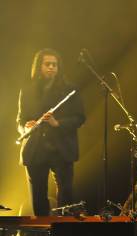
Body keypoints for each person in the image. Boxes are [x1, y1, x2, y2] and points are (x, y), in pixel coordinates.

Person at [16, 48, 86, 216]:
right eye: (47, 64)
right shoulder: (27, 91)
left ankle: (62, 235)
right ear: (39, 67)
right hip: (35, 149)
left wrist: (58, 123)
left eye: (54, 65)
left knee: (66, 196)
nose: (51, 67)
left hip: (61, 149)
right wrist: (26, 127)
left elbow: (79, 117)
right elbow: (20, 120)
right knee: (38, 198)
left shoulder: (70, 90)